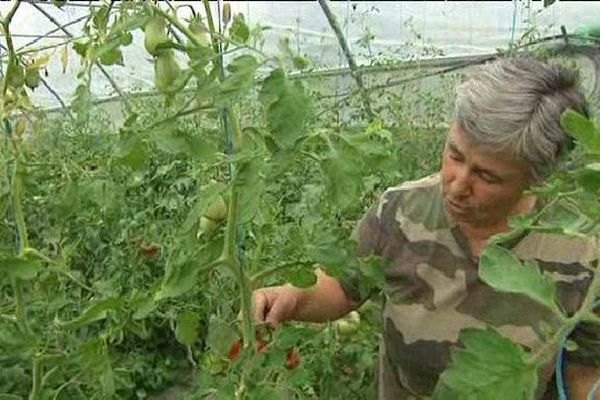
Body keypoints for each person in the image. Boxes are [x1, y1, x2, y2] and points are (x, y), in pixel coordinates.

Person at [252, 56, 600, 399]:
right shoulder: (402, 211)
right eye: (455, 155)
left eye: (486, 176)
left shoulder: (580, 251)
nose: (457, 184)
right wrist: (293, 297)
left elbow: (583, 372)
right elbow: (343, 288)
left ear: (536, 179)